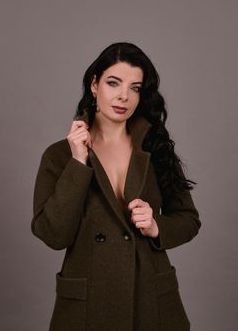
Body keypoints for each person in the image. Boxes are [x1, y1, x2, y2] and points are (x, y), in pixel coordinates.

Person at [32, 42, 201, 331]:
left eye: (135, 88)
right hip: (89, 305)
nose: (124, 96)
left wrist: (156, 226)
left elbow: (189, 220)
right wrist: (77, 162)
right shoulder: (59, 155)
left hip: (149, 298)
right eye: (114, 83)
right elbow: (53, 235)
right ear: (94, 85)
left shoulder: (155, 149)